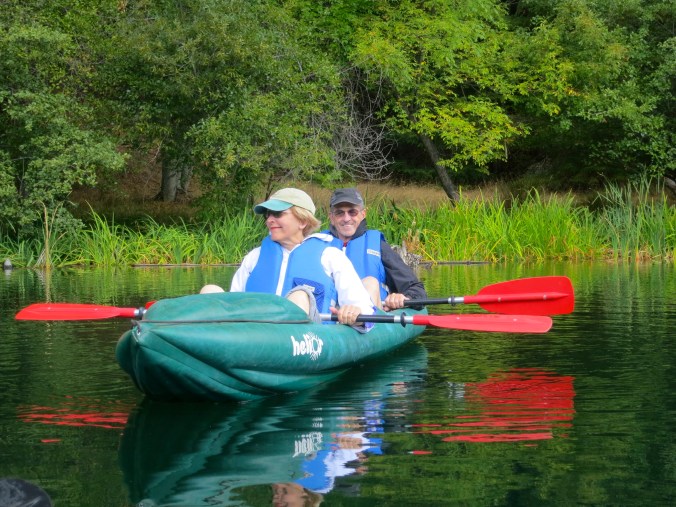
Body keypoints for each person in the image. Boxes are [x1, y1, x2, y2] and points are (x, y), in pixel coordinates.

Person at [204, 188, 375, 328]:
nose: (269, 220)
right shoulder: (254, 257)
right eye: (268, 215)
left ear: (302, 221)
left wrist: (354, 313)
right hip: (251, 333)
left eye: (278, 214)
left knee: (300, 295)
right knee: (209, 290)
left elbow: (364, 310)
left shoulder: (330, 257)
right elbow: (234, 303)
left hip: (304, 341)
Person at [326, 188, 427, 311]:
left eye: (352, 212)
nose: (346, 218)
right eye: (339, 213)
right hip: (327, 317)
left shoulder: (378, 245)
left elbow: (416, 289)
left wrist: (404, 298)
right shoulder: (317, 244)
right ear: (331, 217)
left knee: (370, 282)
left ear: (363, 214)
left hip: (366, 318)